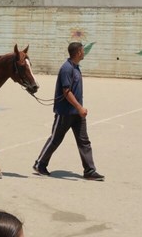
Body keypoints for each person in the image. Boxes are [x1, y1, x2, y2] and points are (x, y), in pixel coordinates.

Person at [33, 42, 105, 181]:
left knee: (84, 141)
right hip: (65, 112)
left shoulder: (76, 67)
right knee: (55, 139)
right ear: (78, 52)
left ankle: (89, 171)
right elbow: (66, 91)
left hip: (77, 113)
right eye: (83, 50)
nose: (84, 52)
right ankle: (40, 164)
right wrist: (79, 107)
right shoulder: (67, 68)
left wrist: (79, 109)